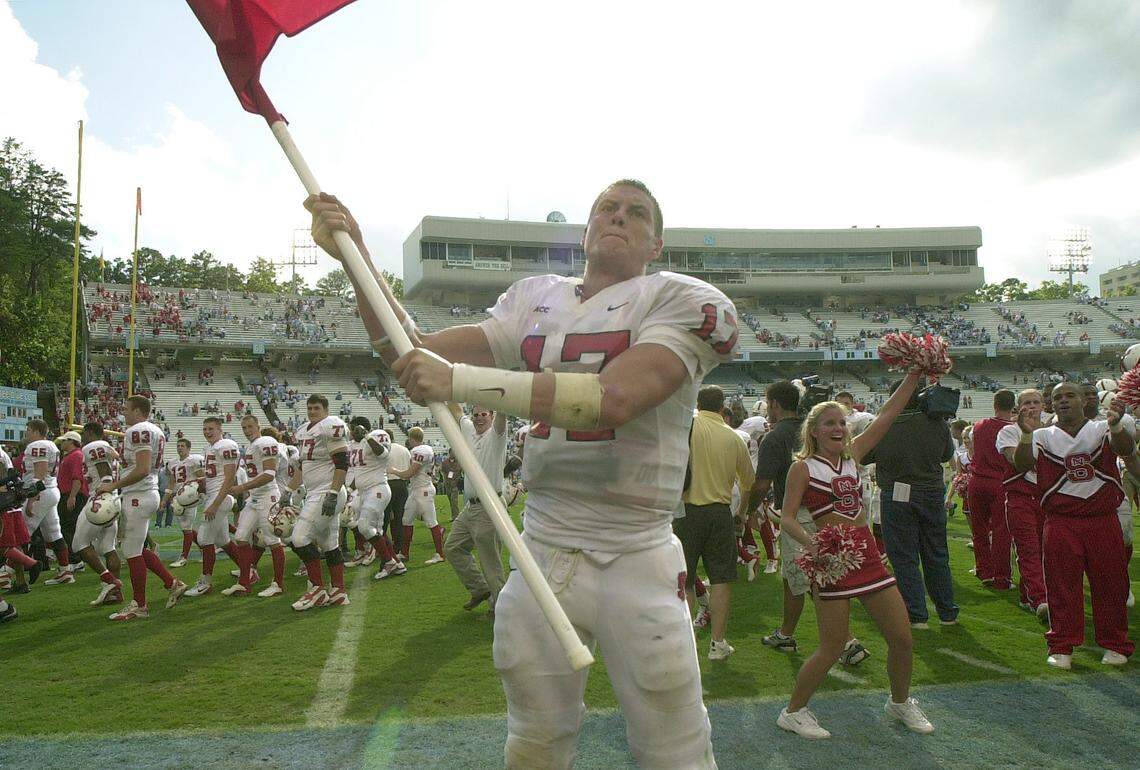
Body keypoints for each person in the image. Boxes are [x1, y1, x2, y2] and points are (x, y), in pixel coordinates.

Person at [308, 178, 735, 768]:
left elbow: (614, 398)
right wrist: (357, 262)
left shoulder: (680, 298)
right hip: (543, 549)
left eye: (636, 213)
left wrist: (455, 381)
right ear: (584, 231)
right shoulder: (535, 297)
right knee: (534, 739)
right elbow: (414, 350)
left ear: (656, 243)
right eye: (606, 209)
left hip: (636, 552)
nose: (618, 217)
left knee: (675, 748)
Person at [777, 372, 934, 739]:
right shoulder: (802, 467)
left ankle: (899, 702)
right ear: (813, 431)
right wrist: (814, 544)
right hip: (832, 564)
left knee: (902, 637)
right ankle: (793, 712)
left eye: (842, 422)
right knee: (832, 647)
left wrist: (913, 375)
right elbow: (786, 517)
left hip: (868, 558)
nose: (838, 428)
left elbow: (887, 415)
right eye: (829, 423)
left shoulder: (854, 455)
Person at [1012, 382, 1135, 668]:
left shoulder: (1102, 428)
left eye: (1070, 395)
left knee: (1111, 585)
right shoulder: (1041, 435)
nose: (1064, 401)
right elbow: (1021, 464)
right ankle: (1062, 645)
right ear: (1050, 404)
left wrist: (1117, 426)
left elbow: (1126, 450)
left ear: (1083, 400)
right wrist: (1026, 435)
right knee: (1061, 586)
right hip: (1061, 521)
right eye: (1057, 398)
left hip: (1102, 519)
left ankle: (1115, 644)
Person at [862, 379, 958, 628]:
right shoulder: (937, 423)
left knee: (904, 557)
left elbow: (863, 455)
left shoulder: (885, 424)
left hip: (897, 493)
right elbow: (947, 455)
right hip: (932, 491)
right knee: (936, 553)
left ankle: (917, 614)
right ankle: (947, 612)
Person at [94, 395, 187, 620]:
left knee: (131, 552)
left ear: (138, 411)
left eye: (126, 409)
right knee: (137, 549)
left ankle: (140, 605)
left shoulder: (138, 431)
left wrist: (113, 485)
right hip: (145, 493)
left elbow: (143, 468)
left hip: (139, 494)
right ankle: (172, 583)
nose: (122, 413)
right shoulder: (151, 430)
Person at [677, 385, 753, 660]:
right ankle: (718, 642)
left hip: (686, 511)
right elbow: (748, 483)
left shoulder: (688, 425)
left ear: (699, 403)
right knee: (721, 578)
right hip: (720, 512)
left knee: (683, 579)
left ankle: (685, 642)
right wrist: (742, 513)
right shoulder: (734, 437)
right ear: (723, 408)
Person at [285, 394, 351, 611]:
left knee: (299, 538)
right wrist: (289, 490)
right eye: (309, 408)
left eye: (316, 408)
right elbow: (303, 467)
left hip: (326, 492)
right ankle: (339, 591)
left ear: (325, 409)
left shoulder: (330, 425)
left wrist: (333, 493)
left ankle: (317, 589)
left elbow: (342, 462)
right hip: (315, 493)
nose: (312, 411)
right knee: (329, 543)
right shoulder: (304, 430)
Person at [444, 403, 508, 614]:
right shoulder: (470, 430)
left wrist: (500, 397)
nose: (480, 418)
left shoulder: (496, 436)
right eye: (477, 415)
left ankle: (500, 607)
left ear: (491, 416)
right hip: (470, 507)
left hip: (489, 506)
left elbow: (502, 417)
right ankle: (480, 589)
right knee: (453, 548)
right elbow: (457, 412)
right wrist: (445, 390)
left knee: (490, 561)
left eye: (484, 414)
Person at [995, 389, 1048, 618]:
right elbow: (1015, 460)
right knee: (1028, 549)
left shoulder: (1052, 430)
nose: (1032, 407)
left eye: (1036, 402)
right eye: (1027, 402)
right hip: (1020, 497)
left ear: (1044, 405)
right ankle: (1040, 598)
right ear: (1018, 407)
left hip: (1048, 498)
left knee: (1049, 551)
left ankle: (1029, 595)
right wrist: (1027, 435)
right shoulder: (1008, 431)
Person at [223, 414, 285, 597]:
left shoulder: (265, 441)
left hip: (268, 496)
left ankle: (278, 584)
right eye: (244, 428)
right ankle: (245, 581)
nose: (247, 431)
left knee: (273, 540)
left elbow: (269, 474)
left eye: (250, 427)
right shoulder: (252, 446)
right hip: (255, 498)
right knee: (241, 536)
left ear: (258, 426)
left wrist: (243, 487)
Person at [184, 417, 245, 598]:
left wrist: (215, 504)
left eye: (211, 428)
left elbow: (229, 478)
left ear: (220, 429)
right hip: (214, 496)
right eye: (205, 429)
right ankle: (247, 570)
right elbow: (214, 475)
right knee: (223, 540)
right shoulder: (209, 448)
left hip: (220, 497)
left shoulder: (226, 445)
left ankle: (206, 582)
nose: (207, 432)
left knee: (204, 539)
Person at [966, 390, 1016, 588]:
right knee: (1001, 532)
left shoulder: (978, 426)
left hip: (977, 481)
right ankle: (1002, 577)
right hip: (1000, 483)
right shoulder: (1013, 429)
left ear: (994, 404)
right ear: (1012, 406)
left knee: (979, 529)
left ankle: (984, 570)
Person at [344, 416, 404, 581]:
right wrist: (350, 489)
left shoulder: (374, 437)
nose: (352, 432)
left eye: (354, 428)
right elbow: (360, 473)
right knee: (377, 531)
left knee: (364, 526)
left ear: (362, 428)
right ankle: (397, 563)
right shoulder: (354, 446)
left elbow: (383, 454)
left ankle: (388, 561)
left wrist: (367, 436)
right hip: (364, 491)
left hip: (378, 489)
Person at [72, 423, 123, 607]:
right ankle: (114, 594)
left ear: (91, 433)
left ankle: (110, 581)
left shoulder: (93, 446)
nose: (82, 437)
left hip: (101, 498)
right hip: (112, 499)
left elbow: (105, 472)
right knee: (108, 547)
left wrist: (103, 495)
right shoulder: (109, 447)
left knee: (79, 544)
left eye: (84, 434)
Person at [20, 419, 71, 585]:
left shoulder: (37, 445)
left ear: (35, 431)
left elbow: (39, 474)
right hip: (50, 491)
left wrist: (32, 499)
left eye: (28, 429)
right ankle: (65, 571)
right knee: (53, 533)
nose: (26, 432)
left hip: (41, 492)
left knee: (22, 531)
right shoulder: (51, 445)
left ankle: (7, 572)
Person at [388, 427, 446, 564]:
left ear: (411, 438)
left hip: (423, 490)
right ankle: (404, 553)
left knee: (431, 522)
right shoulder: (426, 449)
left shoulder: (418, 451)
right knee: (406, 520)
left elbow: (410, 473)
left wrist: (394, 471)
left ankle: (440, 554)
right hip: (416, 489)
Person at [49, 431, 87, 583]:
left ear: (71, 441)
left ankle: (75, 559)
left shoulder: (76, 455)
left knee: (68, 527)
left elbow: (78, 477)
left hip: (72, 494)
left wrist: (72, 496)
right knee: (67, 527)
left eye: (64, 441)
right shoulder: (72, 455)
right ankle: (75, 559)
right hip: (69, 494)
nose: (62, 443)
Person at [164, 439, 204, 568]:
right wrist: (165, 499)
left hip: (191, 495)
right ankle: (204, 548)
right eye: (178, 446)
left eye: (182, 446)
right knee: (186, 528)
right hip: (178, 497)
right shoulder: (172, 463)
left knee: (187, 527)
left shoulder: (194, 460)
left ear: (188, 448)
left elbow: (201, 478)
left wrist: (199, 492)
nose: (180, 448)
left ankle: (184, 557)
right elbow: (171, 482)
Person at [384, 432, 411, 556]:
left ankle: (384, 546)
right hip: (402, 484)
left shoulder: (386, 450)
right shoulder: (404, 450)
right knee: (399, 517)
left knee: (385, 518)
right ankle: (398, 545)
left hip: (388, 483)